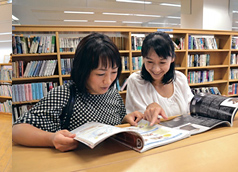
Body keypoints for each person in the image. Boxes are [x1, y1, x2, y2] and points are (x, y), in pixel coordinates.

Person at [11, 33, 144, 152]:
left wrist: (125, 119)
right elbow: (17, 130)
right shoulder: (64, 94)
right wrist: (51, 139)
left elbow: (114, 124)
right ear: (83, 70)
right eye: (100, 74)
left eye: (114, 72)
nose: (108, 81)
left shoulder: (113, 94)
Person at [125, 32, 194, 125]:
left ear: (172, 58)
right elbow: (138, 121)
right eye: (150, 62)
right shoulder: (136, 81)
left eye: (162, 62)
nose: (156, 69)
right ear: (143, 58)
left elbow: (192, 111)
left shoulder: (180, 78)